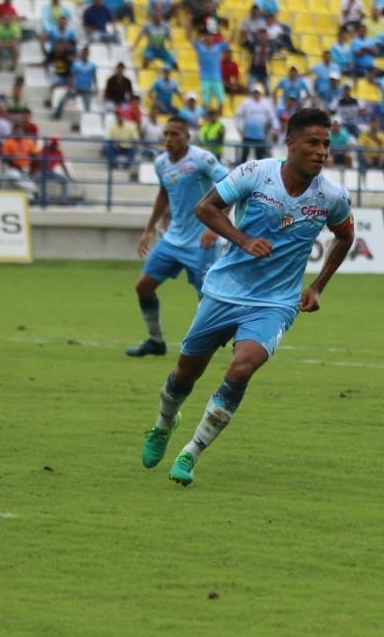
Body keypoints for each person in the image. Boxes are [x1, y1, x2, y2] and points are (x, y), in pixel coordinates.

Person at [137, 107, 354, 486]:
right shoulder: (256, 174)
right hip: (224, 290)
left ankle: (191, 452)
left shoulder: (332, 197)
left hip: (276, 302)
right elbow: (205, 207)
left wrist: (317, 286)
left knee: (241, 368)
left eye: (326, 144)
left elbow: (345, 237)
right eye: (313, 143)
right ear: (291, 143)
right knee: (185, 374)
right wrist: (242, 240)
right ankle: (163, 424)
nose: (322, 151)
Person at [127, 118, 229, 357]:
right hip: (173, 239)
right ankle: (156, 341)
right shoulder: (161, 162)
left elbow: (230, 185)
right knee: (143, 287)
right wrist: (148, 229)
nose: (169, 139)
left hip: (201, 242)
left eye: (175, 134)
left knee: (206, 299)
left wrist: (215, 228)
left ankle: (202, 347)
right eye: (166, 134)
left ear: (187, 137)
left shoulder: (202, 159)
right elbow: (163, 193)